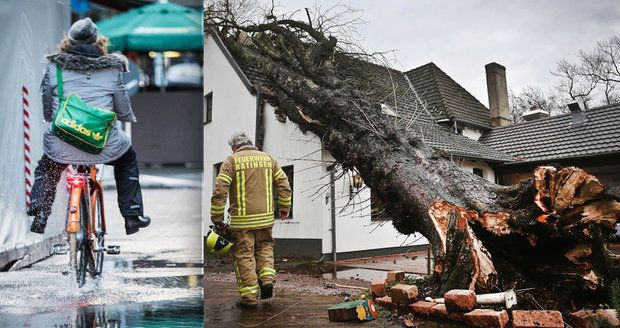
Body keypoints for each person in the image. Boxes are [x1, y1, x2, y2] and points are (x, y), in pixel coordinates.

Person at [27, 18, 150, 235]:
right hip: (103, 144)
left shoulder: (55, 68)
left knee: (48, 166)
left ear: (69, 41)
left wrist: (51, 118)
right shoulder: (113, 69)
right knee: (127, 160)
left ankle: (40, 213)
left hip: (62, 141)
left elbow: (47, 103)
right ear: (98, 41)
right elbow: (122, 107)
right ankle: (132, 216)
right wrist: (126, 117)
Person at [211, 133, 292, 309]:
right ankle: (267, 281)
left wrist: (217, 218)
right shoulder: (269, 159)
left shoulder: (231, 161)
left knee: (244, 255)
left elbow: (220, 191)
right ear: (250, 144)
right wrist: (285, 208)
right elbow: (283, 184)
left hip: (242, 222)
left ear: (234, 146)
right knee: (265, 248)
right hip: (265, 219)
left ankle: (249, 298)